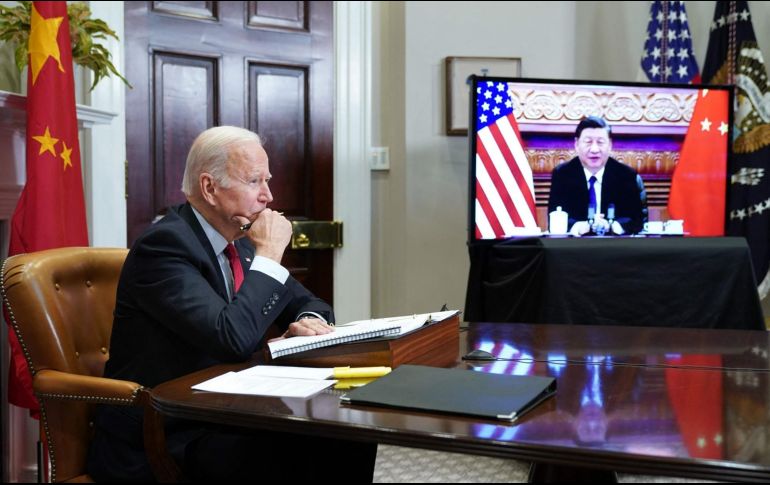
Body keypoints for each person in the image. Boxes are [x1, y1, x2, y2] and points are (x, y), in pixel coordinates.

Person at [87, 126, 377, 482]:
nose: (268, 196)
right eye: (254, 181)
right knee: (307, 449)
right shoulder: (164, 247)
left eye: (267, 180)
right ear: (209, 187)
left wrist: (309, 321)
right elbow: (232, 337)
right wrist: (270, 253)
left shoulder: (238, 240)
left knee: (349, 434)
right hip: (168, 431)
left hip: (227, 412)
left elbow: (311, 304)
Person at [547, 116, 647, 236]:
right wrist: (579, 226)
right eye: (588, 142)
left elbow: (636, 220)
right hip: (575, 248)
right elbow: (556, 218)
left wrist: (612, 226)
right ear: (576, 144)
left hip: (616, 247)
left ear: (610, 145)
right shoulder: (563, 174)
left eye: (600, 142)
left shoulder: (626, 175)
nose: (594, 149)